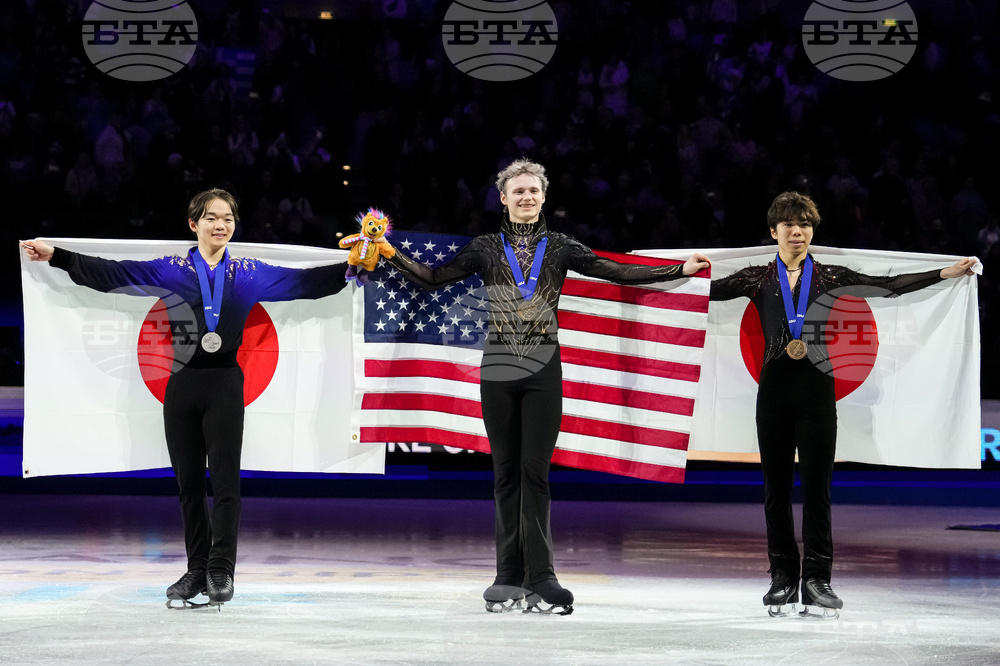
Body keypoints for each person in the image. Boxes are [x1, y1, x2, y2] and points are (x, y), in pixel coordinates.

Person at [380, 159, 710, 614]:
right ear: (503, 198)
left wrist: (678, 271)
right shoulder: (484, 248)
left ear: (543, 196)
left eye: (533, 191)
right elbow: (434, 279)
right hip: (497, 366)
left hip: (542, 367)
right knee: (504, 475)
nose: (526, 198)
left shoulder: (559, 247)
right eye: (518, 191)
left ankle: (542, 576)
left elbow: (613, 271)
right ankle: (506, 575)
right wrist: (388, 252)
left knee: (535, 473)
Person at [21, 188, 350, 608]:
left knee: (226, 484)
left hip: (226, 384)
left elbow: (305, 282)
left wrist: (351, 268)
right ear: (193, 224)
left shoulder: (249, 272)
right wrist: (59, 256)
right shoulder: (171, 269)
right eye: (212, 218)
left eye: (228, 218)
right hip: (182, 384)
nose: (221, 225)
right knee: (189, 485)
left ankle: (220, 570)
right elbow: (114, 274)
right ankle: (197, 569)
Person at [709, 191, 977, 618]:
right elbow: (700, 292)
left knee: (818, 491)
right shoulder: (756, 278)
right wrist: (664, 273)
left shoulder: (830, 276)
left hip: (817, 390)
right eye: (790, 225)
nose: (798, 232)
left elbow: (888, 287)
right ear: (773, 231)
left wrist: (945, 272)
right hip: (774, 390)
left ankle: (817, 580)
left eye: (805, 225)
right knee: (775, 491)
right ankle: (782, 578)